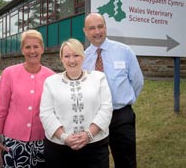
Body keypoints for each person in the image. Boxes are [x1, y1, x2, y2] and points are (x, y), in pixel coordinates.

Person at [82, 12, 144, 168]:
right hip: (94, 119)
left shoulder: (124, 51)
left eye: (100, 26)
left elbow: (137, 81)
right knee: (96, 162)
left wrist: (125, 101)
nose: (97, 32)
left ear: (105, 27)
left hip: (121, 116)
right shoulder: (82, 58)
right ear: (85, 31)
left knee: (126, 162)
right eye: (92, 28)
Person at [40, 38, 113, 168]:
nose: (72, 60)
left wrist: (89, 134)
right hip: (59, 149)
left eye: (76, 55)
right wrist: (64, 137)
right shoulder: (50, 82)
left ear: (83, 57)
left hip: (95, 147)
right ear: (61, 58)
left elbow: (106, 108)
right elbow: (46, 113)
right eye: (67, 56)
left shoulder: (98, 78)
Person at [0, 29, 55, 168]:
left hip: (42, 141)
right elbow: (1, 108)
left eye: (36, 46)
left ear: (42, 49)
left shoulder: (52, 77)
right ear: (22, 50)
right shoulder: (9, 73)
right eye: (27, 47)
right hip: (13, 141)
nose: (32, 50)